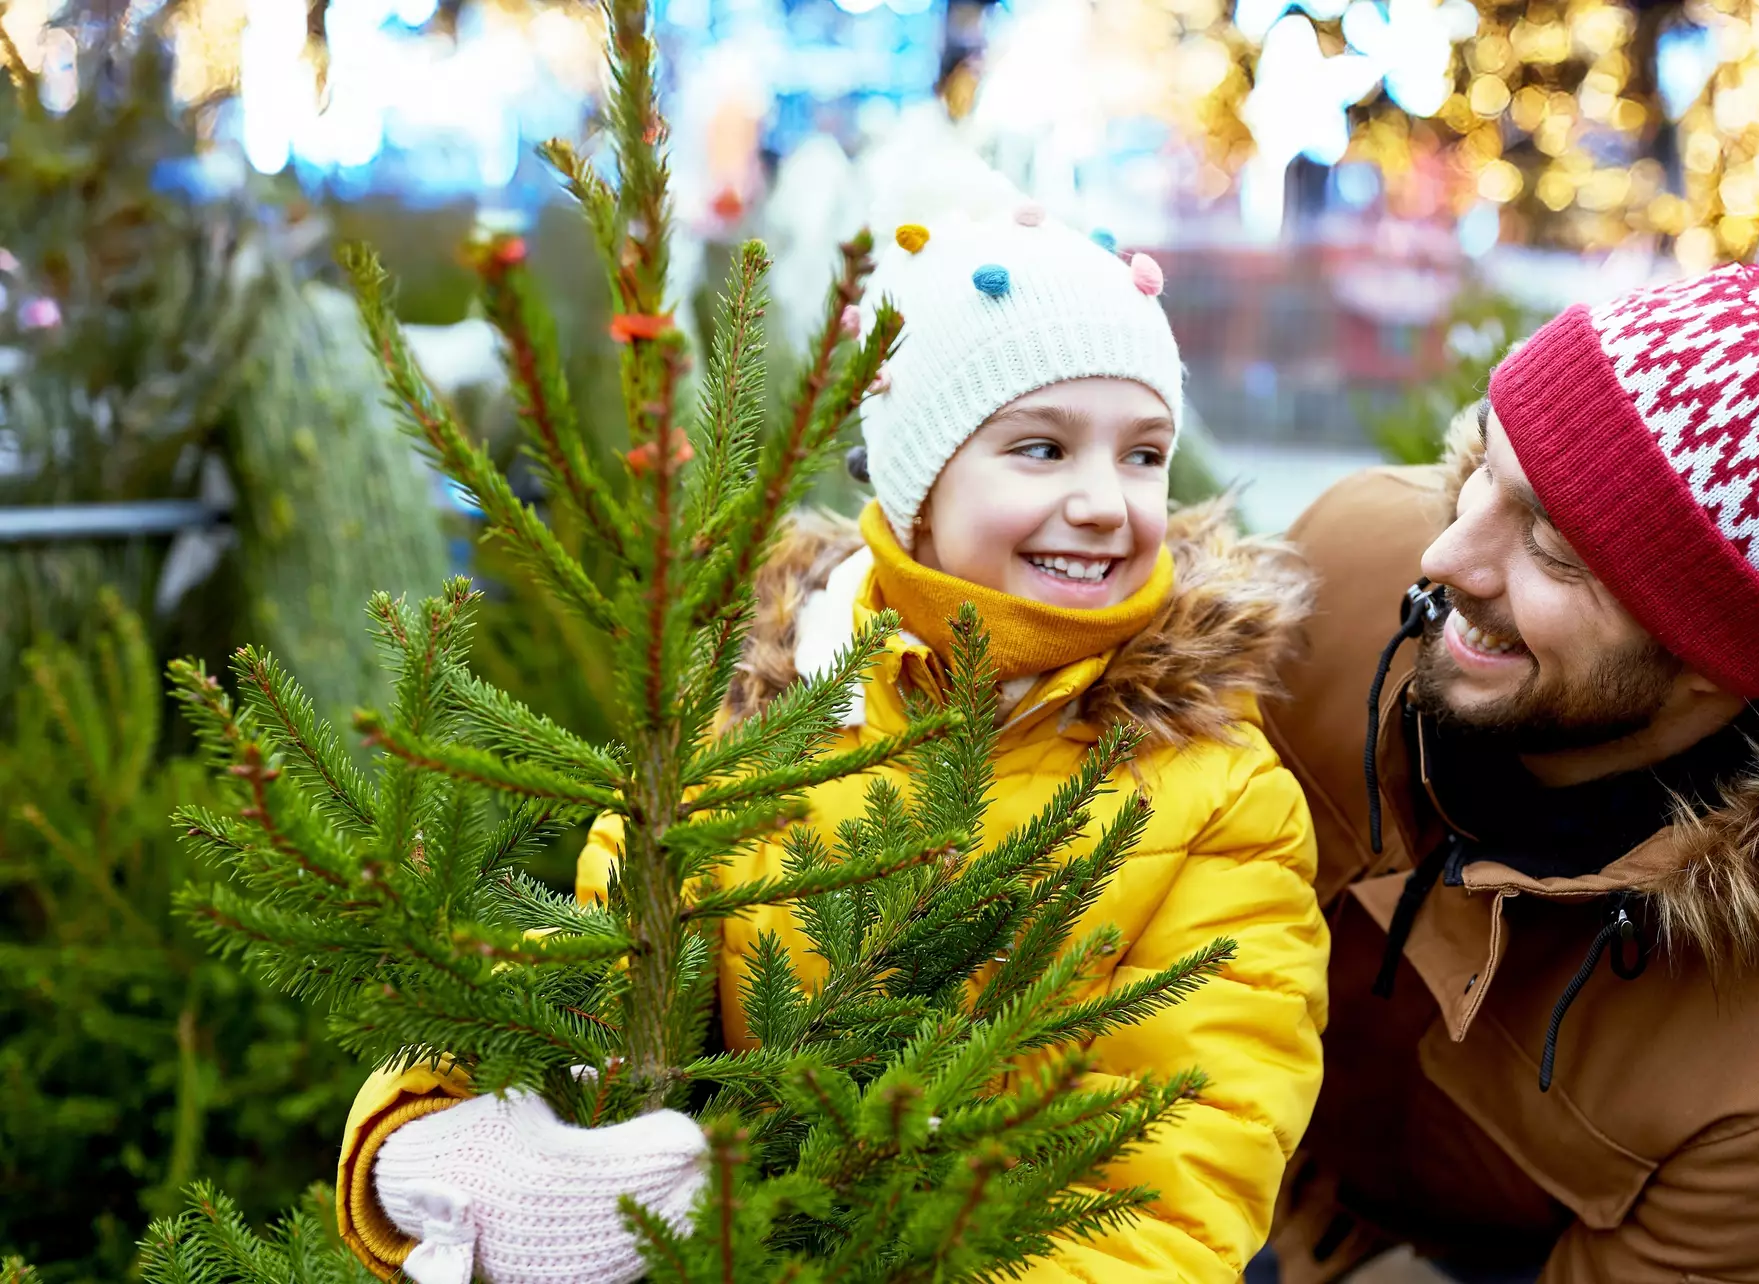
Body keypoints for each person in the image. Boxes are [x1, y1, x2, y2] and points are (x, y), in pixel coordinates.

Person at [331, 210, 1331, 1284]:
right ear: (918, 482)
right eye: (1039, 447)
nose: (1102, 503)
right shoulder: (769, 708)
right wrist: (427, 1132)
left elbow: (1171, 1194)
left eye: (1143, 455)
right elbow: (600, 959)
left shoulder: (1220, 793)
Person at [1259, 219, 1759, 1283]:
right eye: (1491, 472)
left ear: (1717, 662)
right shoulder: (1341, 570)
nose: (1446, 555)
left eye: (1552, 549)